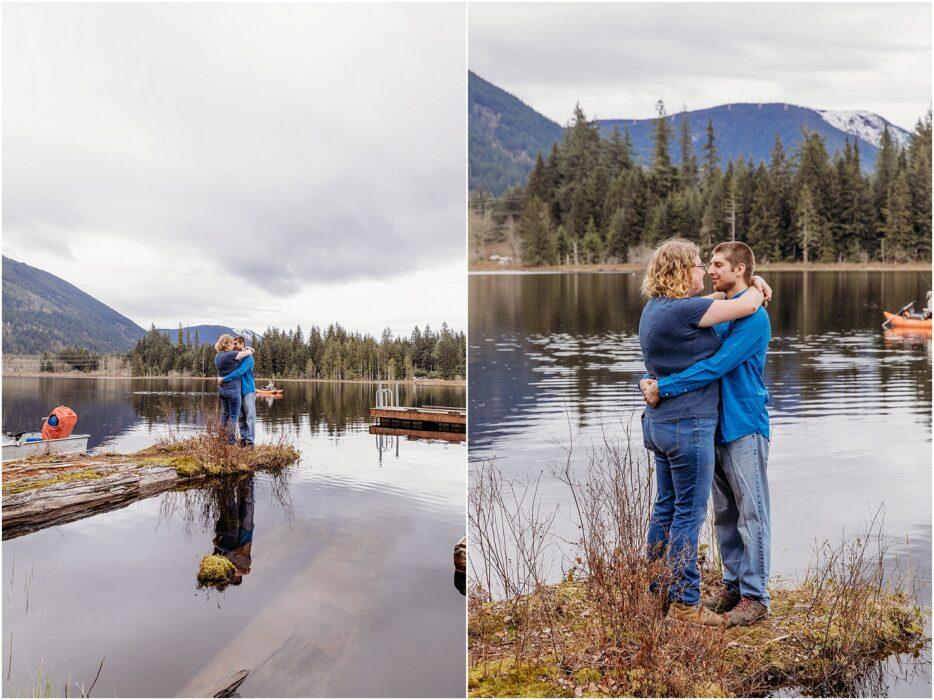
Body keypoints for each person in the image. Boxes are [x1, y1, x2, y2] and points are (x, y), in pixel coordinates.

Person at [641, 241, 772, 627]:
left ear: (741, 270)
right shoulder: (718, 313)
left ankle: (755, 595)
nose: (711, 271)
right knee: (724, 514)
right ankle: (732, 585)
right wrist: (755, 286)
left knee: (752, 511)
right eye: (706, 264)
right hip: (711, 425)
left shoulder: (753, 319)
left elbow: (715, 365)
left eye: (718, 265)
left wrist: (662, 387)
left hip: (743, 422)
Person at [218, 336, 256, 449]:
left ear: (242, 344)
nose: (234, 346)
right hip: (238, 390)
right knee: (240, 417)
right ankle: (243, 440)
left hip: (248, 389)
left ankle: (250, 443)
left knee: (250, 416)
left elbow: (239, 372)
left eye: (236, 344)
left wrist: (224, 379)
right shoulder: (236, 356)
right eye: (233, 344)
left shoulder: (249, 358)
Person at [213, 334, 242, 445]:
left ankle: (221, 438)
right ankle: (231, 442)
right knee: (234, 416)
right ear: (227, 343)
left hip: (222, 390)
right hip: (233, 390)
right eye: (231, 343)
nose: (233, 345)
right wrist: (250, 349)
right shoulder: (231, 355)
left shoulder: (218, 356)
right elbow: (247, 353)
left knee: (225, 415)